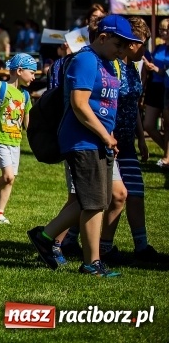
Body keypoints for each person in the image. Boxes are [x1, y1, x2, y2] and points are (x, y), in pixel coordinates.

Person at [28, 14, 141, 277]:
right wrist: (104, 135)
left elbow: (106, 106)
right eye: (118, 44)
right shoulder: (86, 60)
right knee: (93, 203)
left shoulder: (108, 63)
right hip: (82, 141)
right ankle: (91, 263)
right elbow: (79, 105)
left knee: (93, 199)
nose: (122, 51)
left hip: (99, 140)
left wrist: (108, 136)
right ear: (102, 37)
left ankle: (45, 237)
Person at [99, 17, 161, 263]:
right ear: (132, 43)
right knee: (104, 196)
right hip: (109, 142)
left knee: (135, 192)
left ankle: (141, 246)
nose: (146, 49)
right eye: (144, 43)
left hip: (127, 143)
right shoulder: (110, 67)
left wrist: (141, 137)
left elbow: (133, 104)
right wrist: (108, 134)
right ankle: (82, 242)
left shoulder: (133, 69)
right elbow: (106, 102)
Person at [0, 53, 36, 225]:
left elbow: (27, 122)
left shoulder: (25, 95)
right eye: (32, 72)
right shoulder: (0, 87)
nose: (33, 77)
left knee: (10, 179)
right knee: (8, 176)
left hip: (16, 140)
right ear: (19, 70)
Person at [143, 19, 169, 167]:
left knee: (167, 124)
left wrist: (158, 70)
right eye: (160, 29)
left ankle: (167, 157)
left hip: (166, 87)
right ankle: (167, 152)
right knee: (148, 124)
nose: (162, 32)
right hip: (154, 87)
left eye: (164, 29)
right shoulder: (158, 47)